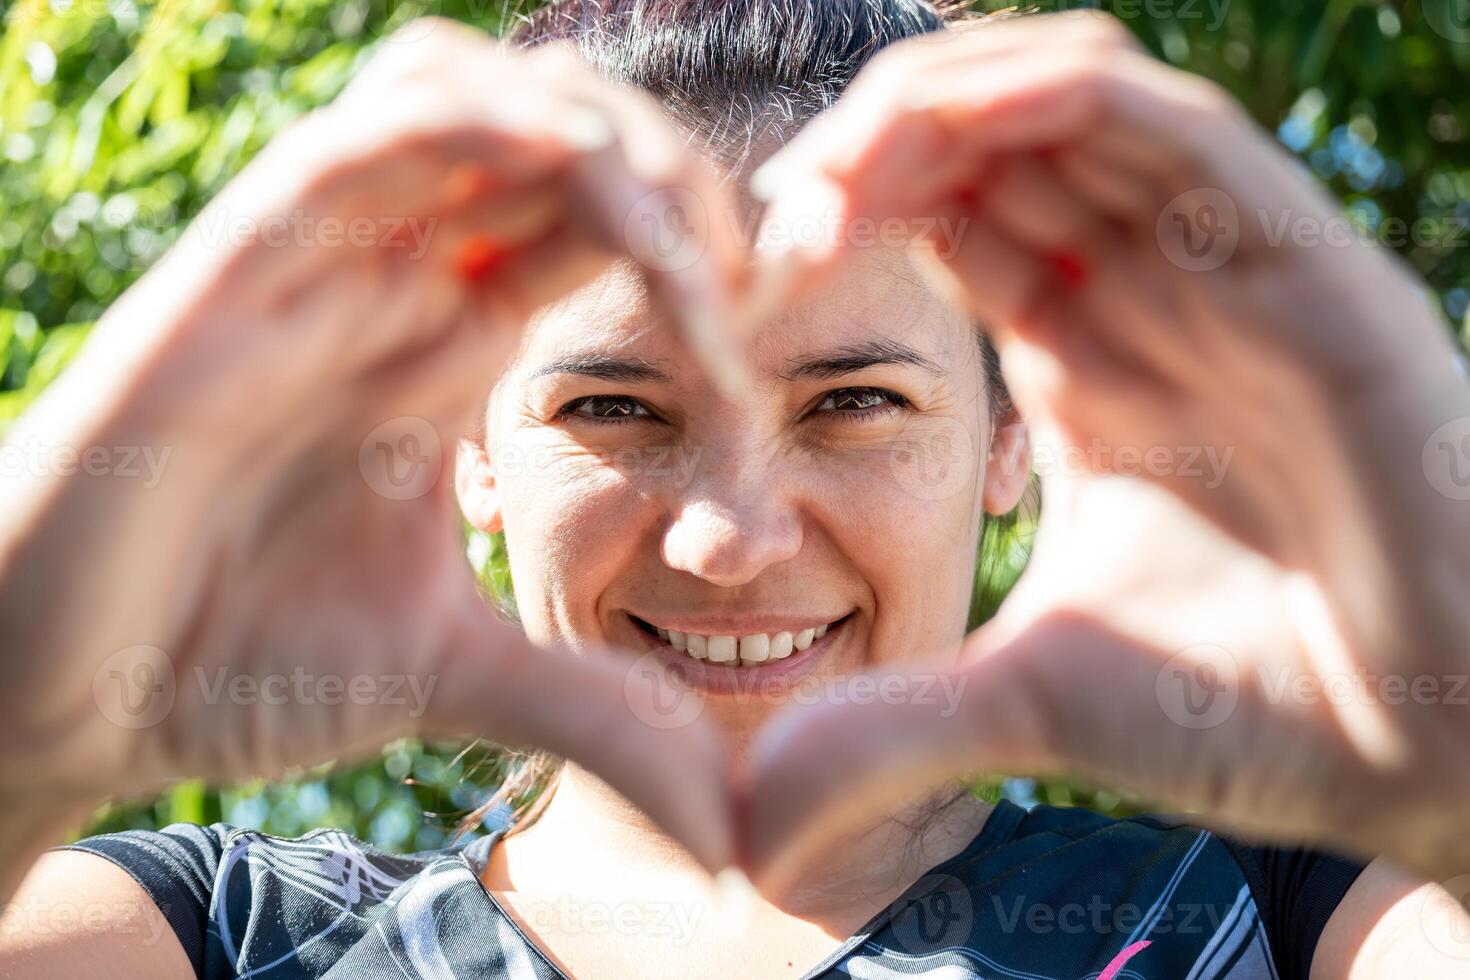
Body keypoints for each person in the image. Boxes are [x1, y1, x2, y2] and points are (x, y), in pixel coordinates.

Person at [2, 0, 1469, 976]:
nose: (726, 538)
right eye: (614, 408)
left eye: (852, 404)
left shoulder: (1288, 917)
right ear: (465, 444)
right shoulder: (217, 940)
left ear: (1013, 434)